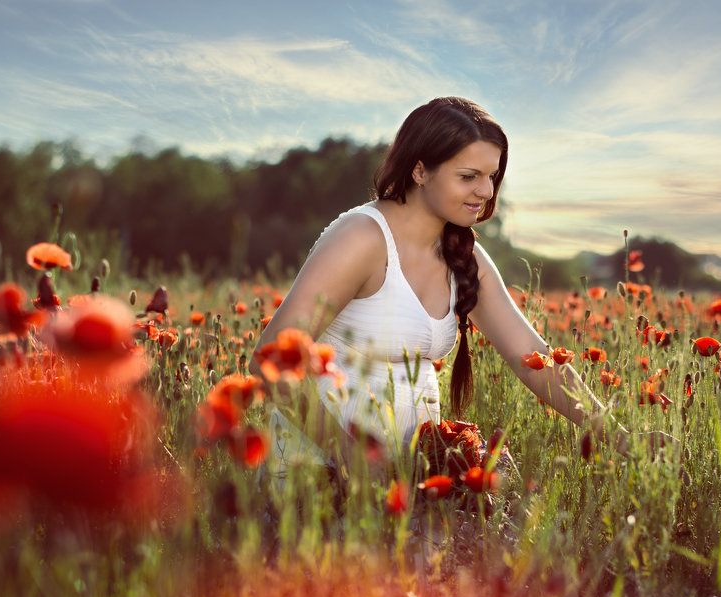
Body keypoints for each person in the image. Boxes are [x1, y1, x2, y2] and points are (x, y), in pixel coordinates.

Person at [254, 97, 654, 491]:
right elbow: (269, 360)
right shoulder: (362, 238)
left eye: (492, 176)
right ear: (420, 171)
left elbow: (533, 358)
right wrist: (348, 454)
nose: (485, 190)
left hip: (411, 477)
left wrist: (620, 437)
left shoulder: (466, 256)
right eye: (468, 176)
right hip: (316, 478)